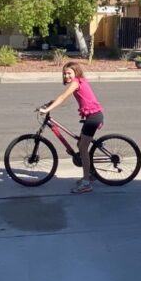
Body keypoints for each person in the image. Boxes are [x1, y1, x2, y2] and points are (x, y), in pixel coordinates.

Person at [38, 62, 103, 194]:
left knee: (83, 149)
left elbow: (63, 97)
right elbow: (61, 97)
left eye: (69, 73)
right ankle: (89, 173)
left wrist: (48, 110)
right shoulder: (79, 81)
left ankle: (86, 183)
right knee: (80, 144)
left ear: (76, 73)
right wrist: (50, 103)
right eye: (65, 73)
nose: (66, 75)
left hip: (93, 117)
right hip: (92, 116)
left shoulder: (76, 82)